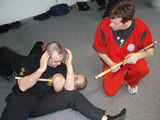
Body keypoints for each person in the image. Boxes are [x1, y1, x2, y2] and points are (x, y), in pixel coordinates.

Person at [1, 41, 126, 120]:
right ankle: (5, 72)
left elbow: (70, 90)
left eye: (60, 60)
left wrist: (69, 64)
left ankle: (106, 119)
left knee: (73, 96)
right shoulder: (30, 61)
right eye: (55, 61)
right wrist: (40, 70)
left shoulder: (61, 66)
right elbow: (22, 86)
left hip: (44, 100)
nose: (58, 64)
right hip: (24, 98)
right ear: (46, 56)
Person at [93, 0, 154, 96]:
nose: (110, 25)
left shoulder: (141, 28)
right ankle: (121, 75)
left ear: (127, 22)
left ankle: (130, 81)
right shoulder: (104, 26)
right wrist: (110, 63)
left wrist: (138, 56)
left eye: (115, 23)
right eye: (111, 20)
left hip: (132, 60)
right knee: (110, 91)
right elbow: (99, 50)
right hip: (113, 61)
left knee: (143, 69)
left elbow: (150, 50)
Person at [0, 41, 87, 90]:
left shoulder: (63, 83)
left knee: (3, 51)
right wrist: (45, 51)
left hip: (30, 65)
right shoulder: (66, 69)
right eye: (78, 75)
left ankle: (6, 72)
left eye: (76, 78)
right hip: (38, 58)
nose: (75, 75)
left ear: (74, 87)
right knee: (39, 44)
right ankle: (41, 51)